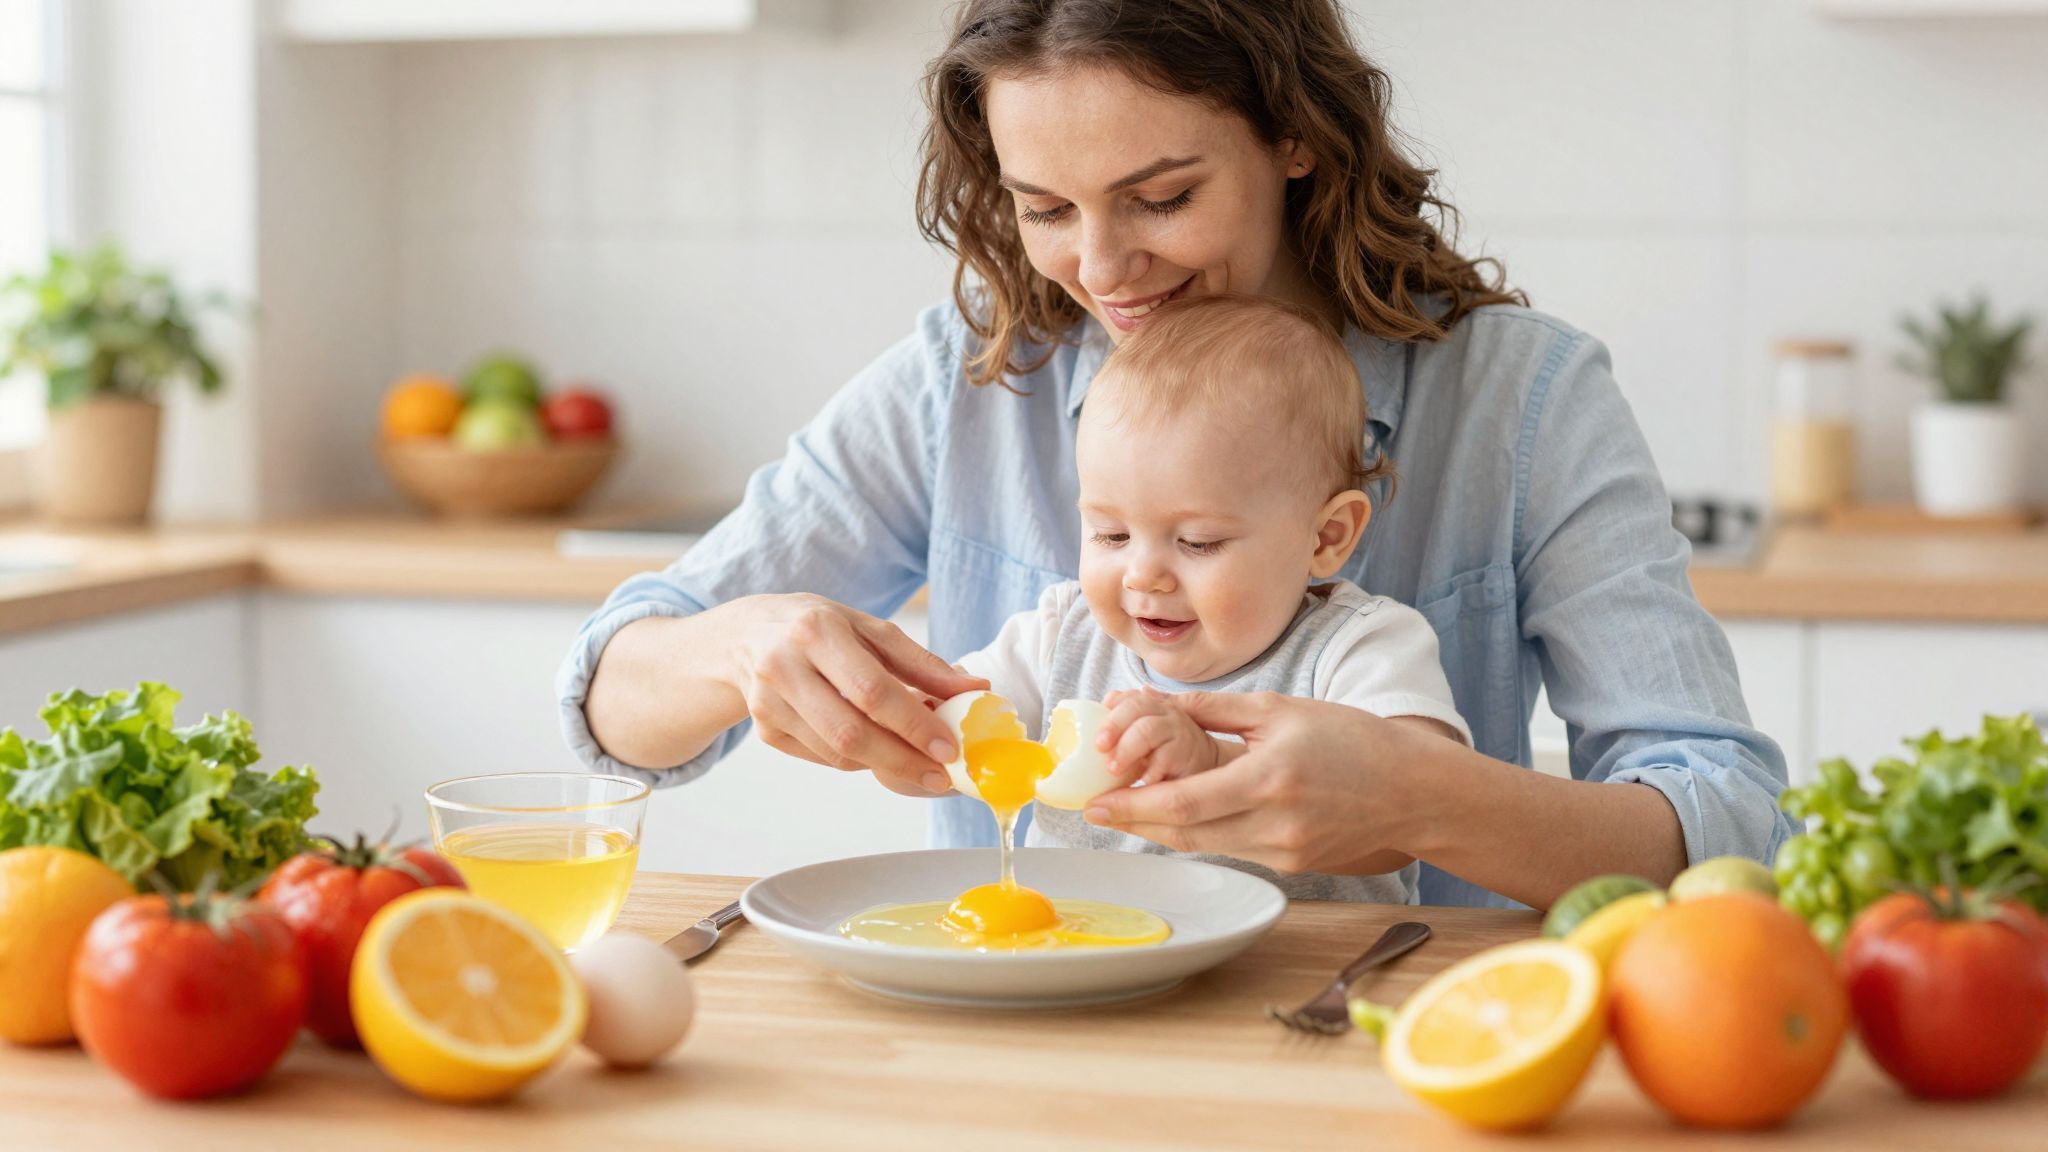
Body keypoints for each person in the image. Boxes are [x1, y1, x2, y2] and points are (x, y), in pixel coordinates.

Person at [557, 0, 1795, 910]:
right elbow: (617, 705)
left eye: (1158, 198)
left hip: (1371, 1033)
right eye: (1044, 209)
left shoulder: (1518, 398)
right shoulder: (974, 377)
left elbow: (1726, 824)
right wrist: (743, 647)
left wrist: (1416, 800)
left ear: (1294, 137)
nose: (1099, 269)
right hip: (1027, 1021)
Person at [956, 293, 1469, 904]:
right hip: (1083, 974)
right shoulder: (1058, 635)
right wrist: (908, 711)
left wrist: (1215, 764)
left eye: (1198, 542)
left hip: (1303, 979)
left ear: (1327, 537)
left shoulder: (1361, 648)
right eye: (1111, 534)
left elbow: (1415, 812)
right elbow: (955, 707)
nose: (1143, 575)